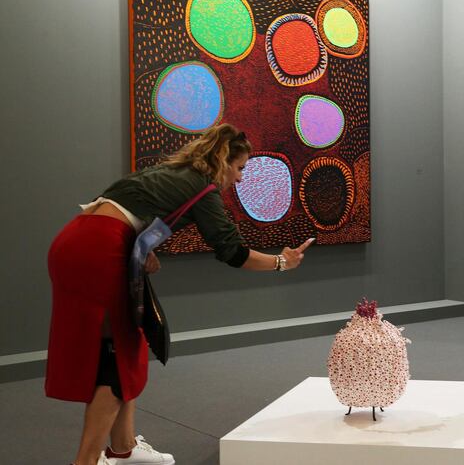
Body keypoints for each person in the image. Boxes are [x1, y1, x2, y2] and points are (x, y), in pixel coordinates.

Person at [46, 123, 314, 465]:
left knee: (128, 343)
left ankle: (123, 448)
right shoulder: (204, 189)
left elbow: (118, 208)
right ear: (223, 161)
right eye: (240, 167)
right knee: (115, 358)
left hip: (73, 240)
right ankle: (86, 462)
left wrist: (144, 251)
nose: (241, 178)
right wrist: (281, 263)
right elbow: (232, 252)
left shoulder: (167, 172)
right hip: (99, 251)